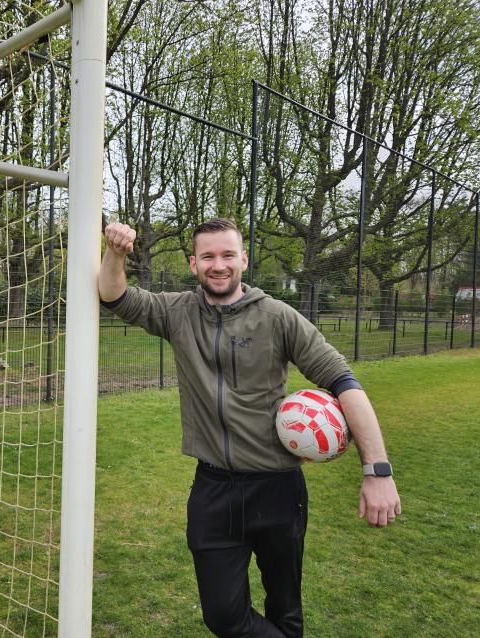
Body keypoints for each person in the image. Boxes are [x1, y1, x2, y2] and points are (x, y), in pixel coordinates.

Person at [98, 218, 401, 638]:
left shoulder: (278, 317)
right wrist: (115, 253)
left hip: (278, 489)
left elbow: (343, 381)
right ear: (193, 263)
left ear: (243, 259)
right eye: (207, 256)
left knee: (285, 612)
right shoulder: (176, 313)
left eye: (227, 255)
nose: (217, 265)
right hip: (213, 491)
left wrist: (377, 470)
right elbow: (114, 296)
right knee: (224, 617)